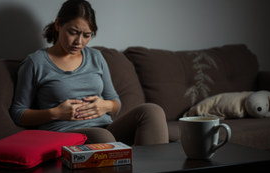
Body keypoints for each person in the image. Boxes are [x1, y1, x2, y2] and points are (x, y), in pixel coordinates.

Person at [10, 0, 168, 146]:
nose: (79, 42)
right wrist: (55, 113)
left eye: (86, 35)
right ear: (58, 25)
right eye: (73, 32)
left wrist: (104, 105)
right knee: (103, 138)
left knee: (152, 111)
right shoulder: (35, 63)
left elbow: (115, 102)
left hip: (106, 129)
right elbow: (18, 112)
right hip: (64, 135)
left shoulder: (96, 57)